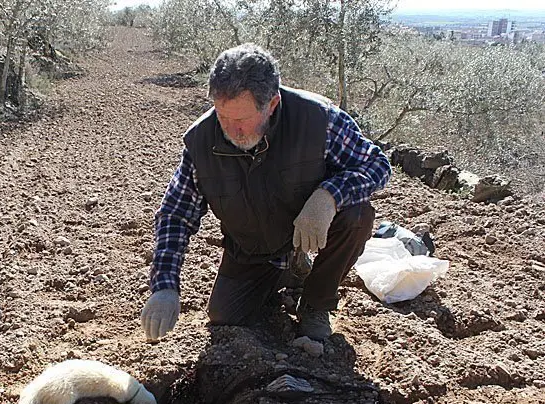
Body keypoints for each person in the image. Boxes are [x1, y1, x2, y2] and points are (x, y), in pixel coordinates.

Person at [140, 44, 391, 342]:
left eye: (243, 120)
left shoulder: (319, 121)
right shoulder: (201, 140)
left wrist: (329, 196)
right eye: (223, 117)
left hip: (308, 224)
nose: (233, 131)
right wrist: (164, 286)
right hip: (252, 247)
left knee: (356, 215)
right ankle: (290, 270)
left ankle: (316, 303)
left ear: (271, 105)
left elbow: (377, 165)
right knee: (226, 318)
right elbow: (175, 214)